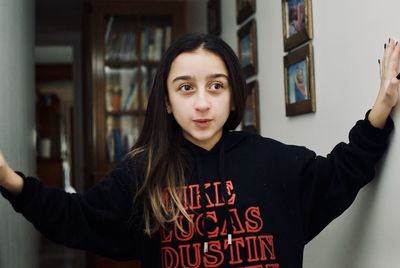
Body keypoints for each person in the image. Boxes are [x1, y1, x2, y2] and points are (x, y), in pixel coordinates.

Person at [0, 34, 399, 267]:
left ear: (233, 96)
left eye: (216, 86)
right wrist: (10, 181)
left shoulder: (277, 161)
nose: (203, 104)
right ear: (168, 102)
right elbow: (76, 218)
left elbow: (343, 172)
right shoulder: (143, 172)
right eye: (186, 87)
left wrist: (381, 105)